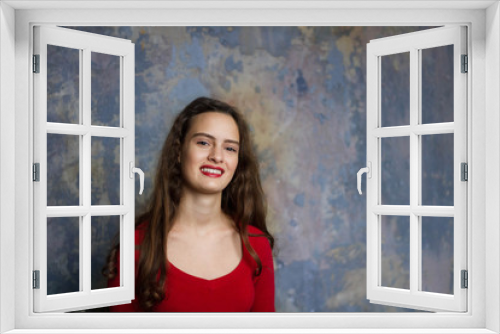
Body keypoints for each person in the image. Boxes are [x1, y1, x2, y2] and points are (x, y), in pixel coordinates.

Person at [105, 97, 275, 312]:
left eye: (230, 148)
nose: (217, 156)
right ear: (178, 151)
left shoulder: (256, 245)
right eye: (204, 143)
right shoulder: (137, 245)